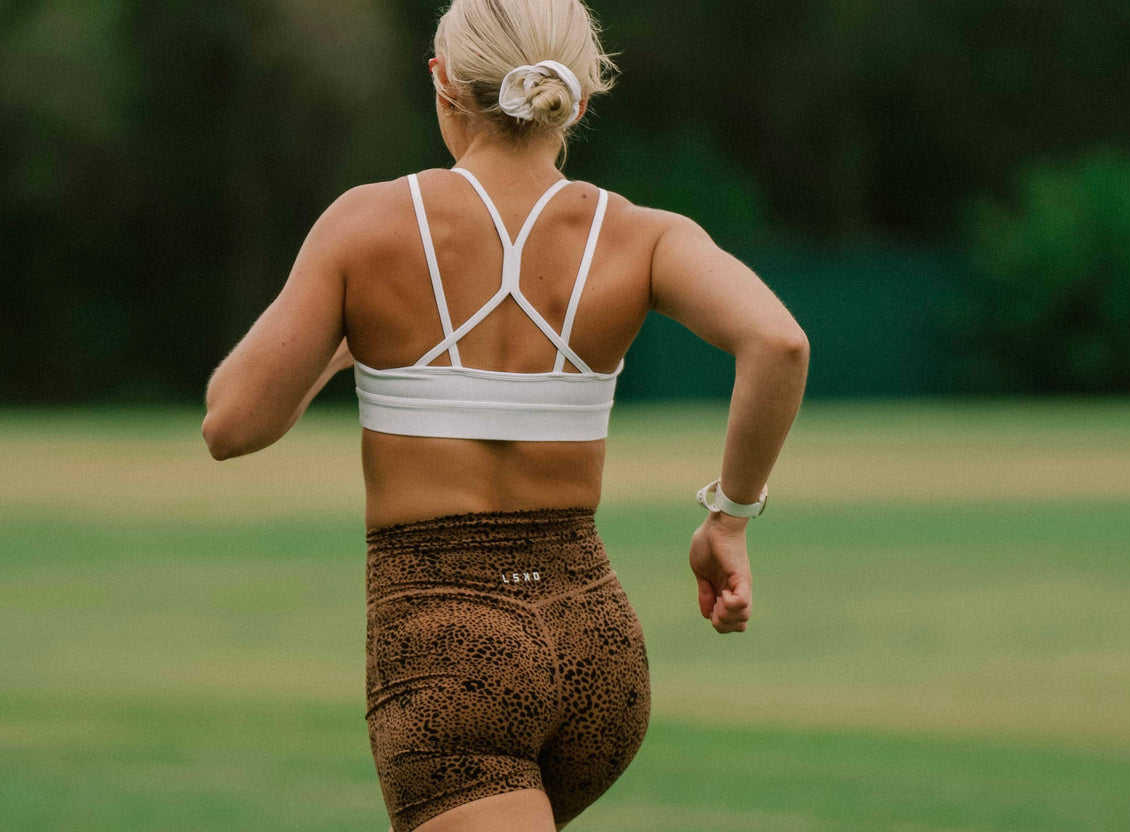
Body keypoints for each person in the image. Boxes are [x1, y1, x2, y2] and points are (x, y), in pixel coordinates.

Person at [201, 0, 809, 829]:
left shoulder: (368, 224)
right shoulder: (640, 235)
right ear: (579, 98)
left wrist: (349, 328)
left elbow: (232, 425)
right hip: (598, 648)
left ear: (442, 83)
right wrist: (728, 520)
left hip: (449, 651)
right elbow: (778, 342)